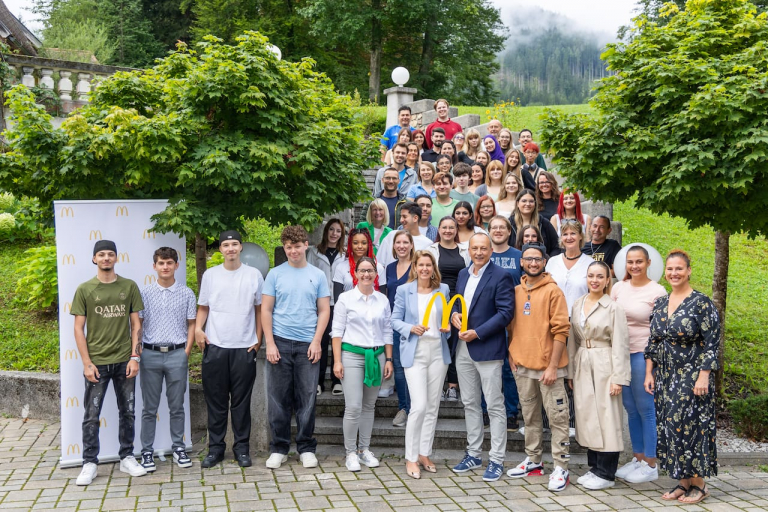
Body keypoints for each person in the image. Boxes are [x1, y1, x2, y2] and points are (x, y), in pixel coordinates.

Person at [644, 250, 720, 505]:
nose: (674, 273)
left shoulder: (701, 303)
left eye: (679, 269)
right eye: (670, 269)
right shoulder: (660, 302)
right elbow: (653, 341)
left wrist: (704, 376)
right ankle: (683, 482)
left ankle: (699, 484)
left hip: (691, 376)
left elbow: (712, 343)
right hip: (665, 377)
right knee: (671, 428)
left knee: (693, 428)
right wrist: (649, 372)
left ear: (688, 271)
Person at [73, 240, 147, 486]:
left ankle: (127, 457)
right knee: (91, 415)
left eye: (110, 254)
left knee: (128, 411)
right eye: (101, 254)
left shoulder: (129, 286)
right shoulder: (85, 289)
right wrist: (86, 363)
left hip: (124, 361)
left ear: (116, 258)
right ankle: (89, 463)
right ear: (94, 259)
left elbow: (136, 324)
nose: (106, 258)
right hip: (97, 364)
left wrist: (135, 357)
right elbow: (78, 329)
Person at [263, 226, 331, 470]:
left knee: (307, 398)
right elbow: (266, 310)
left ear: (306, 246)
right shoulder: (275, 274)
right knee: (278, 399)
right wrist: (269, 343)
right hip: (279, 342)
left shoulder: (318, 275)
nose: (293, 250)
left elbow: (324, 310)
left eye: (297, 245)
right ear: (285, 248)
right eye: (288, 247)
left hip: (308, 344)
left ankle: (306, 448)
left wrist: (316, 340)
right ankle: (279, 448)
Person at [449, 233, 514, 481]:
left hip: (487, 347)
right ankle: (474, 453)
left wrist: (478, 332)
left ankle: (496, 459)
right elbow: (459, 303)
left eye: (483, 248)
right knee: (470, 403)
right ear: (469, 250)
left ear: (490, 251)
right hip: (463, 348)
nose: (478, 252)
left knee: (495, 406)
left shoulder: (501, 276)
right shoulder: (464, 274)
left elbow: (505, 313)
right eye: (474, 248)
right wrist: (454, 314)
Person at [196, 231, 263, 469]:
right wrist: (198, 330)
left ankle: (242, 449)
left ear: (241, 247)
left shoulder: (253, 275)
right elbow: (203, 307)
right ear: (220, 249)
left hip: (244, 347)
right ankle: (215, 449)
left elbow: (259, 310)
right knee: (216, 402)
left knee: (241, 404)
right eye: (226, 244)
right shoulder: (211, 275)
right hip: (215, 345)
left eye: (235, 244)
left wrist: (258, 339)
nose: (231, 248)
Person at [507, 243, 571, 492]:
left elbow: (561, 330)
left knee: (557, 418)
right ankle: (534, 461)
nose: (533, 263)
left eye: (538, 259)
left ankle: (561, 466)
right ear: (521, 262)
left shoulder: (553, 291)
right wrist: (513, 353)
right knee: (530, 416)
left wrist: (553, 366)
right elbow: (511, 326)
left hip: (548, 369)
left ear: (544, 262)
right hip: (522, 365)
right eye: (528, 259)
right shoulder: (516, 291)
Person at [568, 261, 631, 490]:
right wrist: (571, 372)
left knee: (607, 416)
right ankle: (594, 468)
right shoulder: (577, 304)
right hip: (583, 361)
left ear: (607, 280)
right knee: (587, 416)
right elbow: (572, 340)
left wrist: (618, 378)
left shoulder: (613, 308)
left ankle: (606, 473)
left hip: (605, 362)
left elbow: (621, 345)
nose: (594, 280)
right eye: (590, 275)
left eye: (599, 276)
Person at [392, 251, 452, 479]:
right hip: (415, 352)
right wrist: (410, 328)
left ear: (433, 267)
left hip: (438, 351)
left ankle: (425, 453)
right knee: (418, 405)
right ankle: (411, 457)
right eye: (421, 265)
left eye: (429, 265)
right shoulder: (403, 290)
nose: (425, 269)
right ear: (415, 267)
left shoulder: (443, 290)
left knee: (432, 406)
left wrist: (447, 327)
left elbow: (445, 318)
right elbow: (394, 320)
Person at [332, 256, 393, 472]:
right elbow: (337, 332)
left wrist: (388, 359)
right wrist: (337, 361)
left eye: (370, 271)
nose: (366, 274)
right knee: (354, 406)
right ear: (355, 274)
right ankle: (350, 452)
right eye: (362, 271)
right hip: (352, 355)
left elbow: (387, 331)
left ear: (376, 274)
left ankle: (364, 449)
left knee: (369, 406)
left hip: (376, 356)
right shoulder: (345, 299)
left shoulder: (382, 300)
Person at [138, 247, 196, 473]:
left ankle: (179, 448)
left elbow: (192, 324)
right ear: (154, 266)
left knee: (177, 406)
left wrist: (186, 351)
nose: (165, 267)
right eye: (161, 263)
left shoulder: (187, 293)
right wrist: (139, 351)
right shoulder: (144, 293)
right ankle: (146, 451)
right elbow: (138, 325)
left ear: (176, 266)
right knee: (149, 408)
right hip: (149, 355)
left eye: (169, 263)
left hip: (176, 354)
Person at [611, 245, 666, 484]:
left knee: (646, 409)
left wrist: (651, 368)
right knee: (630, 409)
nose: (634, 266)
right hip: (620, 354)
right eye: (630, 262)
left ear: (648, 263)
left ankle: (651, 464)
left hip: (643, 356)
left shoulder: (658, 291)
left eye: (639, 262)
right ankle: (638, 458)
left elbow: (659, 332)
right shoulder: (618, 287)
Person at [427, 216, 470, 403]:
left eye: (451, 227)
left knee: (455, 340)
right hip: (436, 299)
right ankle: (435, 384)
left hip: (459, 300)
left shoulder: (465, 251)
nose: (447, 231)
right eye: (444, 227)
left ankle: (452, 386)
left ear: (456, 230)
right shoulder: (431, 250)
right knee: (438, 339)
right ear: (439, 230)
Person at [489, 216, 523, 430]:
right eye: (494, 228)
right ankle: (486, 409)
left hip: (514, 319)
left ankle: (511, 412)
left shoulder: (518, 256)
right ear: (488, 231)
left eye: (503, 227)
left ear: (509, 232)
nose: (498, 231)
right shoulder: (483, 255)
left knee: (510, 369)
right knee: (488, 367)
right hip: (487, 319)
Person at [308, 219, 347, 395]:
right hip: (321, 303)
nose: (334, 233)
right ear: (326, 231)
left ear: (342, 234)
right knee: (321, 342)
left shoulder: (345, 254)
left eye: (338, 231)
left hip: (339, 303)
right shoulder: (314, 252)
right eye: (331, 229)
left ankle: (337, 381)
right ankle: (318, 381)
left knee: (338, 341)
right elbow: (308, 276)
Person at [385, 231, 415, 427]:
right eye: (398, 243)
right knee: (398, 368)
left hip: (414, 324)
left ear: (412, 245)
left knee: (413, 367)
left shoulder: (417, 266)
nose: (402, 246)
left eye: (405, 242)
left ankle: (417, 409)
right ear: (394, 246)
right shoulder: (389, 268)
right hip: (394, 323)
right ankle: (404, 408)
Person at [333, 229, 385, 302]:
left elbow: (383, 298)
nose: (360, 246)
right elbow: (337, 300)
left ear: (368, 245)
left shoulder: (378, 267)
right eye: (355, 243)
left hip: (372, 311)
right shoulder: (341, 267)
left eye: (364, 243)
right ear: (350, 244)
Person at [377, 202, 433, 269]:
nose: (401, 220)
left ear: (415, 218)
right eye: (401, 217)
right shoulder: (391, 236)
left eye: (404, 217)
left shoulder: (427, 244)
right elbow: (379, 264)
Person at [509, 189, 561, 257]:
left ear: (535, 204)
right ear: (517, 203)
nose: (527, 204)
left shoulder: (544, 223)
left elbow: (556, 246)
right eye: (524, 201)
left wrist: (549, 261)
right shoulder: (509, 224)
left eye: (531, 201)